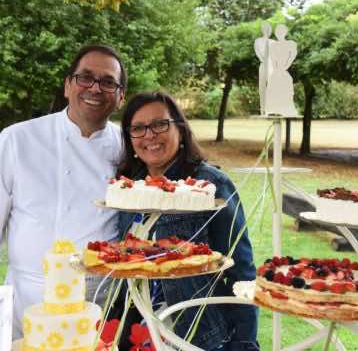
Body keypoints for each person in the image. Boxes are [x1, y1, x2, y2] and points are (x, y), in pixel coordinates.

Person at [114, 91, 259, 350]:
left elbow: (242, 271)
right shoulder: (128, 188)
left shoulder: (211, 184)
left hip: (198, 334)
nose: (149, 135)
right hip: (140, 332)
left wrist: (245, 342)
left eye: (160, 124)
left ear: (180, 129)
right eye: (138, 128)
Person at [0, 44, 127, 339]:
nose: (95, 89)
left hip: (98, 302)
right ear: (68, 85)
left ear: (120, 97)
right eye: (85, 77)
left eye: (108, 82)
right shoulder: (17, 139)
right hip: (27, 299)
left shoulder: (128, 147)